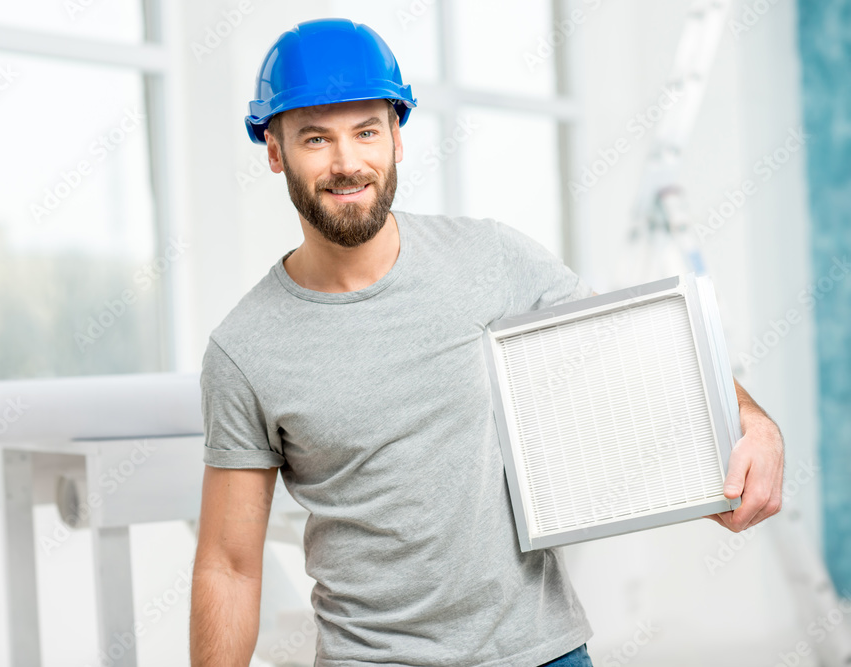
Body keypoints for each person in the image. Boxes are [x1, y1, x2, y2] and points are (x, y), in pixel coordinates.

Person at [189, 18, 785, 667]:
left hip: (542, 651)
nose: (347, 162)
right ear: (274, 150)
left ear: (397, 136)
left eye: (366, 132)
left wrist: (748, 419)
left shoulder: (487, 259)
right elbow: (229, 563)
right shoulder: (245, 349)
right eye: (314, 138)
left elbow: (637, 351)